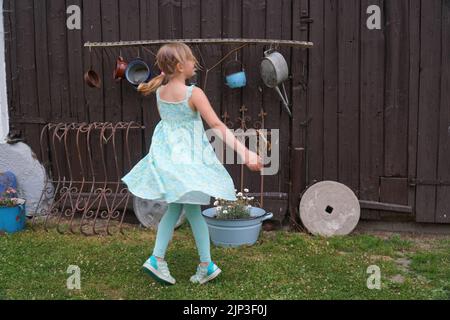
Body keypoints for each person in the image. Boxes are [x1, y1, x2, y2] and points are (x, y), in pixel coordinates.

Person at [121, 42, 263, 285]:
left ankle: (160, 259)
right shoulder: (193, 94)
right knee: (192, 209)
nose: (194, 63)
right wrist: (245, 152)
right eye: (191, 60)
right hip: (191, 162)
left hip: (170, 161)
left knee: (179, 208)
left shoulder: (160, 93)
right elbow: (217, 126)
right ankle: (201, 264)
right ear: (179, 66)